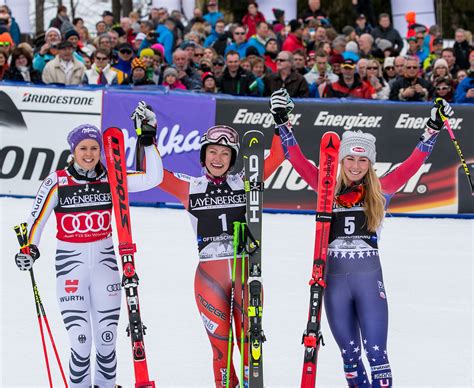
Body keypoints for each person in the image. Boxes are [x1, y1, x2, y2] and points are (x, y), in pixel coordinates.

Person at [270, 93, 454, 388]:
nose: (356, 166)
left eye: (363, 160)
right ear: (340, 161)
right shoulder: (325, 187)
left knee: (377, 355)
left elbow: (412, 163)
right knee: (350, 356)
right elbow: (298, 160)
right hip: (334, 284)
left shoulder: (382, 190)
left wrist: (433, 128)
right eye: (350, 159)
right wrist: (282, 123)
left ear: (370, 163)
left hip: (369, 283)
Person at [136, 91, 286, 387]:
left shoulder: (246, 181)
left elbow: (279, 155)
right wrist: (146, 138)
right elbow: (150, 174)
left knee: (250, 346)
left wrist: (281, 119)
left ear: (233, 158)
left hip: (245, 271)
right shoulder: (189, 187)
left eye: (225, 152)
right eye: (212, 151)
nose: (218, 158)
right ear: (203, 154)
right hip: (208, 274)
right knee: (221, 349)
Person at [14, 108, 163, 388]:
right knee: (81, 343)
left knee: (107, 341)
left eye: (94, 147)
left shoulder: (112, 178)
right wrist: (29, 249)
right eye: (83, 148)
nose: (89, 153)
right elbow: (36, 220)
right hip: (70, 267)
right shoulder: (57, 181)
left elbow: (153, 178)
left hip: (106, 266)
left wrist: (148, 141)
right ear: (73, 151)